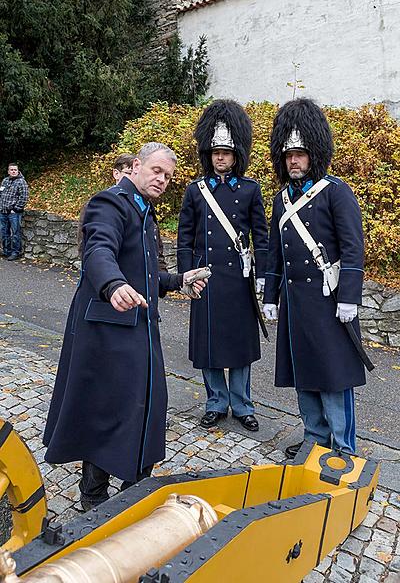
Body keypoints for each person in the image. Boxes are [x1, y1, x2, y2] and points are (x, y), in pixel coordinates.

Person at [43, 142, 208, 511]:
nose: (162, 180)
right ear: (135, 166)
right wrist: (113, 285)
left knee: (145, 405)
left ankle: (132, 488)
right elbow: (98, 249)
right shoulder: (111, 202)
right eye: (156, 171)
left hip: (139, 329)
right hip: (108, 331)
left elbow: (146, 276)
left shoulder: (145, 213)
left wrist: (180, 280)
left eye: (168, 176)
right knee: (109, 409)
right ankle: (94, 496)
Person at [263, 98, 366, 459]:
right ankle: (314, 438)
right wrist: (270, 296)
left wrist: (349, 297)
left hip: (329, 301)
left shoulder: (336, 191)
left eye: (301, 153)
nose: (294, 160)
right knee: (303, 372)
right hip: (295, 305)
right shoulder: (280, 200)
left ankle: (342, 448)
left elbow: (353, 247)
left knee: (334, 378)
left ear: (315, 152)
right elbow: (275, 251)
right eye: (289, 154)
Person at [177, 100, 269, 432]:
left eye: (226, 152)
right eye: (216, 151)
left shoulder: (250, 189)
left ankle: (243, 404)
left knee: (240, 345)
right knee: (209, 344)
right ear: (208, 153)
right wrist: (185, 276)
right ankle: (216, 401)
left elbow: (261, 234)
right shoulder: (195, 191)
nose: (220, 157)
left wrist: (264, 280)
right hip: (206, 279)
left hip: (239, 279)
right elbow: (184, 235)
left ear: (236, 156)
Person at [78, 153, 168, 271]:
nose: (133, 177)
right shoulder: (101, 203)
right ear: (116, 173)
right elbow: (89, 247)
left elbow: (156, 251)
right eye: (129, 173)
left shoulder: (145, 206)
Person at [0, 163, 29, 260]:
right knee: (4, 233)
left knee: (16, 233)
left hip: (14, 213)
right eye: (11, 170)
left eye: (15, 170)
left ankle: (16, 252)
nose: (13, 171)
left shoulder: (21, 182)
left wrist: (15, 209)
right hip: (3, 212)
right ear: (8, 171)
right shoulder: (5, 181)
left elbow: (24, 197)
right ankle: (6, 251)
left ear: (18, 171)